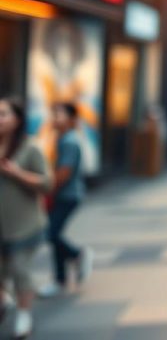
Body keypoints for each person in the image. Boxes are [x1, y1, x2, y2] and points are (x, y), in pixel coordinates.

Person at [0, 96, 52, 339]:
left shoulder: (29, 147)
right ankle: (6, 301)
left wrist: (18, 173)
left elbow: (47, 183)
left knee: (21, 270)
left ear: (17, 120)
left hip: (24, 225)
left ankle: (23, 315)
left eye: (3, 114)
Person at [37, 103, 92, 298]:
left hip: (67, 195)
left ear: (71, 119)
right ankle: (60, 279)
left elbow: (63, 174)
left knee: (51, 234)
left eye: (59, 115)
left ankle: (76, 255)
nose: (54, 118)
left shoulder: (68, 141)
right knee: (53, 234)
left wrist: (46, 189)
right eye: (53, 114)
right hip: (64, 195)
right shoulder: (62, 138)